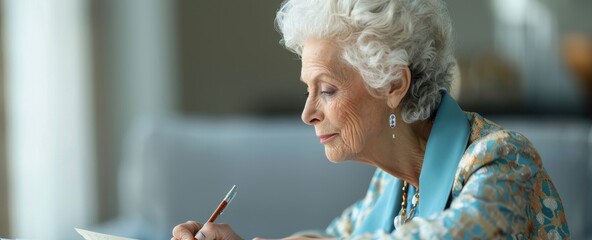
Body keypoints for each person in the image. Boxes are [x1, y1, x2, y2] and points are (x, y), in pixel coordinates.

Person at [172, 0, 570, 239]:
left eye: (326, 90)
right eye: (307, 90)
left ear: (394, 84)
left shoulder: (503, 159)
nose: (307, 113)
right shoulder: (392, 182)